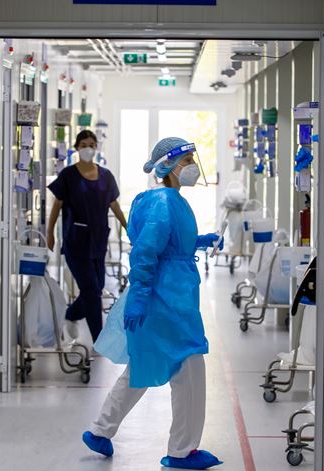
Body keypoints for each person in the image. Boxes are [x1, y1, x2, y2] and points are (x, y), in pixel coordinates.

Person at [81, 137, 224, 470]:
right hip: (167, 300)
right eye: (187, 160)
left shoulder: (167, 199)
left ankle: (100, 431)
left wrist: (199, 240)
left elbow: (168, 243)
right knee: (189, 370)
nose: (192, 166)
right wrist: (141, 295)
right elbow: (145, 253)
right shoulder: (164, 202)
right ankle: (182, 451)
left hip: (166, 295)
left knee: (143, 366)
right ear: (169, 166)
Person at [47, 130, 126, 343]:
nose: (88, 148)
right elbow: (57, 205)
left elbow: (114, 205)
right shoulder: (68, 175)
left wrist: (128, 226)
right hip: (75, 242)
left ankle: (71, 315)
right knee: (91, 290)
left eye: (92, 144)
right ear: (76, 147)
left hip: (98, 241)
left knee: (97, 287)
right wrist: (50, 233)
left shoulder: (106, 176)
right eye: (84, 144)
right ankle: (99, 341)